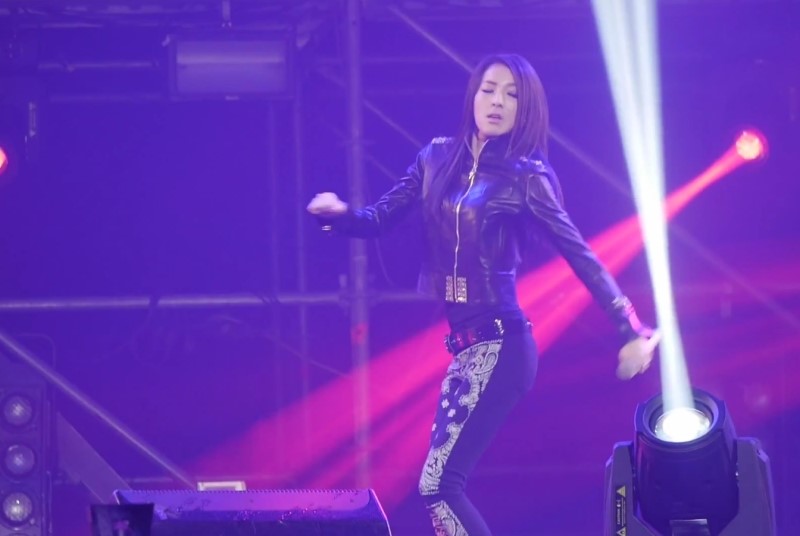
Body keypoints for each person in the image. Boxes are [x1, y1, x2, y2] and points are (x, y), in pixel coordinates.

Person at [307, 53, 657, 536]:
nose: (497, 102)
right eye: (489, 89)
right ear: (472, 95)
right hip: (465, 348)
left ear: (525, 109)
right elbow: (380, 218)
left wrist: (629, 327)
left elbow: (580, 254)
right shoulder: (434, 158)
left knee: (438, 485)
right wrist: (340, 215)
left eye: (512, 95)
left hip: (502, 344)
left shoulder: (526, 176)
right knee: (438, 486)